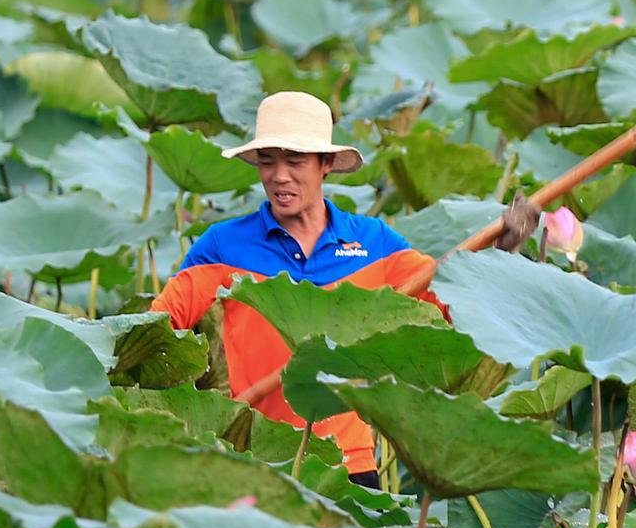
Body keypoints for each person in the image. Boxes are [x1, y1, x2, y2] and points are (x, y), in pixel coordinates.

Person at [153, 91, 500, 486]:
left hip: (349, 465)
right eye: (268, 161)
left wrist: (501, 249)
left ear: (327, 164)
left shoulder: (375, 243)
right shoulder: (222, 246)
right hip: (260, 459)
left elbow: (454, 302)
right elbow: (155, 329)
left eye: (295, 161)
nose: (279, 176)